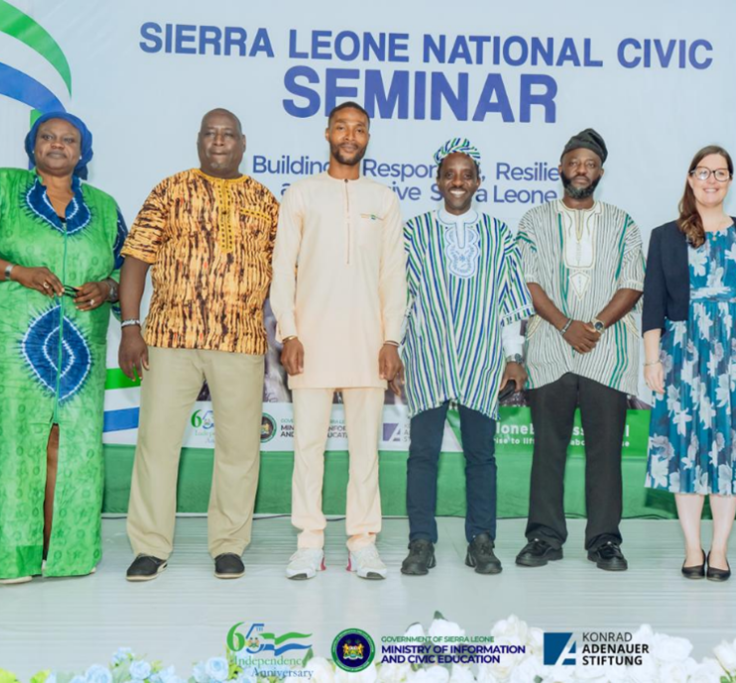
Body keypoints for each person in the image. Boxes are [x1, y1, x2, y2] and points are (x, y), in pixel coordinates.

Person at [0, 112, 126, 584]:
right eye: (48, 136)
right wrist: (17, 272)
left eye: (69, 139)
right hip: (8, 346)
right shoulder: (3, 187)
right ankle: (12, 558)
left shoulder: (104, 206)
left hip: (79, 350)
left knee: (71, 446)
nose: (58, 144)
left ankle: (66, 553)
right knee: (10, 445)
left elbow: (124, 269)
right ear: (33, 146)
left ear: (83, 152)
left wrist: (106, 288)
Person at [119, 108, 279, 581]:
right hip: (171, 337)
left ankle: (229, 545)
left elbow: (286, 271)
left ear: (243, 144)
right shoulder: (169, 190)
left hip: (241, 340)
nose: (219, 141)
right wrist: (130, 326)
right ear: (198, 140)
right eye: (211, 133)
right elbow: (136, 259)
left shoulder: (264, 200)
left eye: (228, 134)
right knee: (157, 443)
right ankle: (149, 547)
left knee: (240, 448)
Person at [271, 102, 406, 580]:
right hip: (310, 342)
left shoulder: (383, 199)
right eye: (342, 127)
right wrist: (289, 332)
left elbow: (393, 275)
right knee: (308, 448)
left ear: (368, 137)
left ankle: (362, 542)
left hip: (368, 344)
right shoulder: (302, 194)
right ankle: (309, 542)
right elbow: (282, 269)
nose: (351, 135)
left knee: (365, 451)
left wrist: (391, 340)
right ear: (327, 133)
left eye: (360, 129)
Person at [399, 138, 534, 576]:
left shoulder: (498, 234)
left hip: (481, 358)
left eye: (466, 175)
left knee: (481, 456)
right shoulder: (414, 232)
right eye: (449, 174)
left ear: (479, 182)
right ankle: (421, 541)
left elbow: (509, 298)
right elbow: (399, 296)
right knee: (422, 455)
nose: (458, 182)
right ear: (437, 181)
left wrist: (514, 356)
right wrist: (393, 348)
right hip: (428, 356)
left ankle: (481, 540)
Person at [514, 129, 645, 571]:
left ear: (601, 172)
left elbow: (633, 282)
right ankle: (544, 537)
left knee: (605, 452)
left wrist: (595, 325)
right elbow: (528, 280)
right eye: (574, 163)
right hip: (550, 348)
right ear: (561, 169)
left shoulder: (623, 223)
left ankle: (604, 540)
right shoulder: (534, 220)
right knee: (547, 450)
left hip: (606, 351)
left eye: (590, 164)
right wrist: (566, 325)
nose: (581, 171)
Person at [642, 145, 736, 582]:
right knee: (685, 449)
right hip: (682, 352)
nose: (711, 180)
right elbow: (653, 304)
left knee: (730, 447)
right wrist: (651, 360)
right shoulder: (666, 235)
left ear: (730, 180)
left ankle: (719, 549)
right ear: (690, 178)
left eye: (720, 173)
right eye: (703, 172)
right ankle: (691, 547)